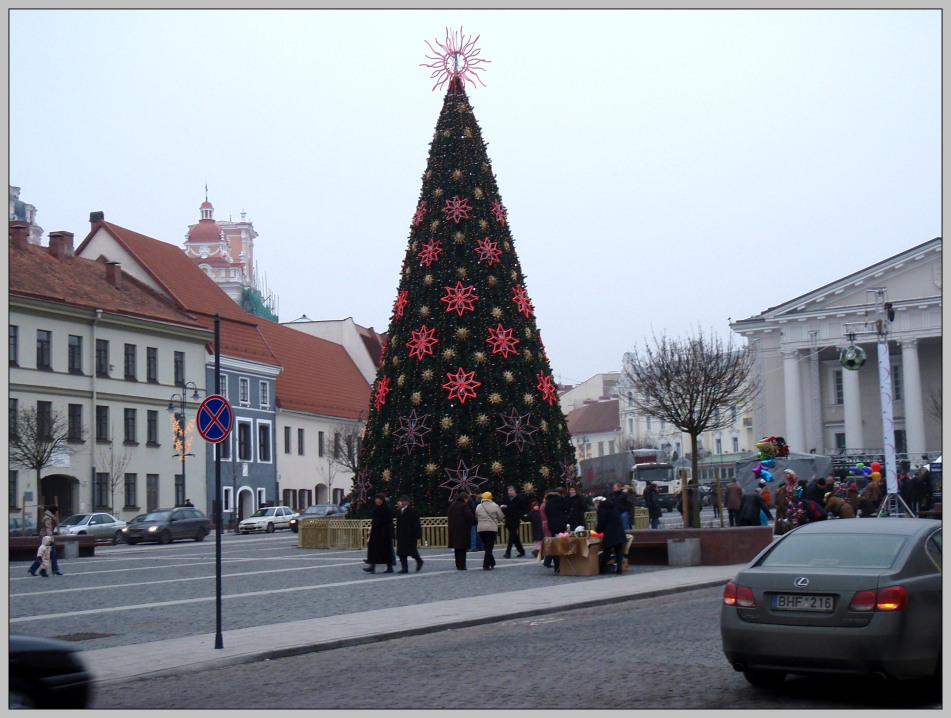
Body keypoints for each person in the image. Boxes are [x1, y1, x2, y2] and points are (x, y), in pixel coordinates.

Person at [594, 496, 627, 575]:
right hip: (619, 532)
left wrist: (598, 531)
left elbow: (601, 522)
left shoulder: (601, 510)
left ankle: (602, 568)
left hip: (610, 534)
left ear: (598, 503)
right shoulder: (613, 508)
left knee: (606, 552)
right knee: (618, 552)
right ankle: (619, 569)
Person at [363, 493, 394, 574]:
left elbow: (388, 522)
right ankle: (372, 566)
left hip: (383, 533)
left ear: (381, 500)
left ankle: (389, 567)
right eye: (376, 499)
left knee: (385, 551)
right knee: (373, 549)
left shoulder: (386, 509)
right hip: (376, 532)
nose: (376, 500)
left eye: (377, 499)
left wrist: (385, 532)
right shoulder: (376, 508)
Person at [29, 505, 63, 576]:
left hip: (45, 537)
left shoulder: (48, 516)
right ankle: (47, 570)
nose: (56, 513)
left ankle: (36, 569)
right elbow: (48, 529)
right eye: (56, 511)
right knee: (47, 555)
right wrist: (50, 539)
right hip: (46, 539)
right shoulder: (48, 518)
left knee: (51, 554)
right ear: (53, 511)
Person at [475, 491, 504, 570]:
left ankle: (492, 562)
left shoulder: (478, 506)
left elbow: (476, 517)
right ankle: (486, 564)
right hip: (492, 528)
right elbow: (501, 517)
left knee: (486, 546)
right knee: (489, 547)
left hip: (481, 529)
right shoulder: (495, 505)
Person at [542, 489, 569, 571]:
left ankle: (556, 566)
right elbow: (567, 507)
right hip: (560, 525)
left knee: (555, 544)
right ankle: (561, 564)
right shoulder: (560, 500)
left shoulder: (548, 502)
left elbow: (546, 512)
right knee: (561, 544)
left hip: (552, 526)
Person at [395, 495, 424, 573]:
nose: (402, 502)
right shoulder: (399, 511)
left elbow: (416, 523)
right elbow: (398, 524)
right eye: (402, 501)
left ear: (408, 502)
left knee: (412, 551)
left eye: (404, 501)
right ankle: (404, 568)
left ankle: (419, 561)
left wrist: (417, 534)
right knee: (401, 553)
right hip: (401, 534)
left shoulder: (412, 510)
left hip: (410, 535)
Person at [447, 492, 476, 570]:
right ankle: (462, 565)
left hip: (453, 529)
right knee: (463, 549)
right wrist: (474, 521)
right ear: (465, 498)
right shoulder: (464, 505)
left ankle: (457, 564)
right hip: (463, 529)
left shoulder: (452, 505)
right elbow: (469, 515)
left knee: (457, 548)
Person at [500, 485, 527, 559]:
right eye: (509, 490)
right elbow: (506, 509)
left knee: (511, 537)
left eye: (511, 490)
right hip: (508, 520)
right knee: (515, 537)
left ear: (515, 491)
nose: (510, 492)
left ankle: (507, 552)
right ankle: (521, 551)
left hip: (515, 520)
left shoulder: (519, 499)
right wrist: (504, 508)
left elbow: (523, 509)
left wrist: (518, 515)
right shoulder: (506, 499)